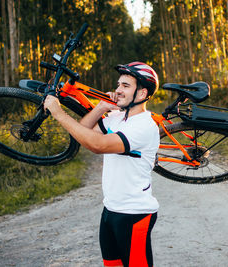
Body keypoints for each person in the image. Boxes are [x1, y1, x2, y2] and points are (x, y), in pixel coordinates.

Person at [44, 62, 160, 267]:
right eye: (118, 85)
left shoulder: (144, 125)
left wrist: (58, 113)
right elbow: (83, 132)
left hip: (134, 215)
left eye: (125, 86)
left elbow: (97, 145)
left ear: (141, 94)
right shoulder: (116, 117)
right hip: (110, 210)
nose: (117, 90)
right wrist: (101, 107)